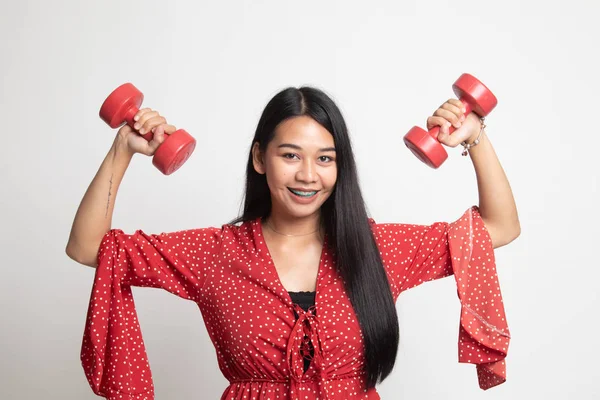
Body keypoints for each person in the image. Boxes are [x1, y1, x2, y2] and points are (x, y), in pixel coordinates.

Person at [66, 86, 520, 399]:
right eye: (290, 155)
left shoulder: (377, 247)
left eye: (325, 158)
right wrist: (123, 147)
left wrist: (474, 135)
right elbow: (90, 247)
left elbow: (498, 228)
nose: (308, 175)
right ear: (260, 158)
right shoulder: (215, 253)